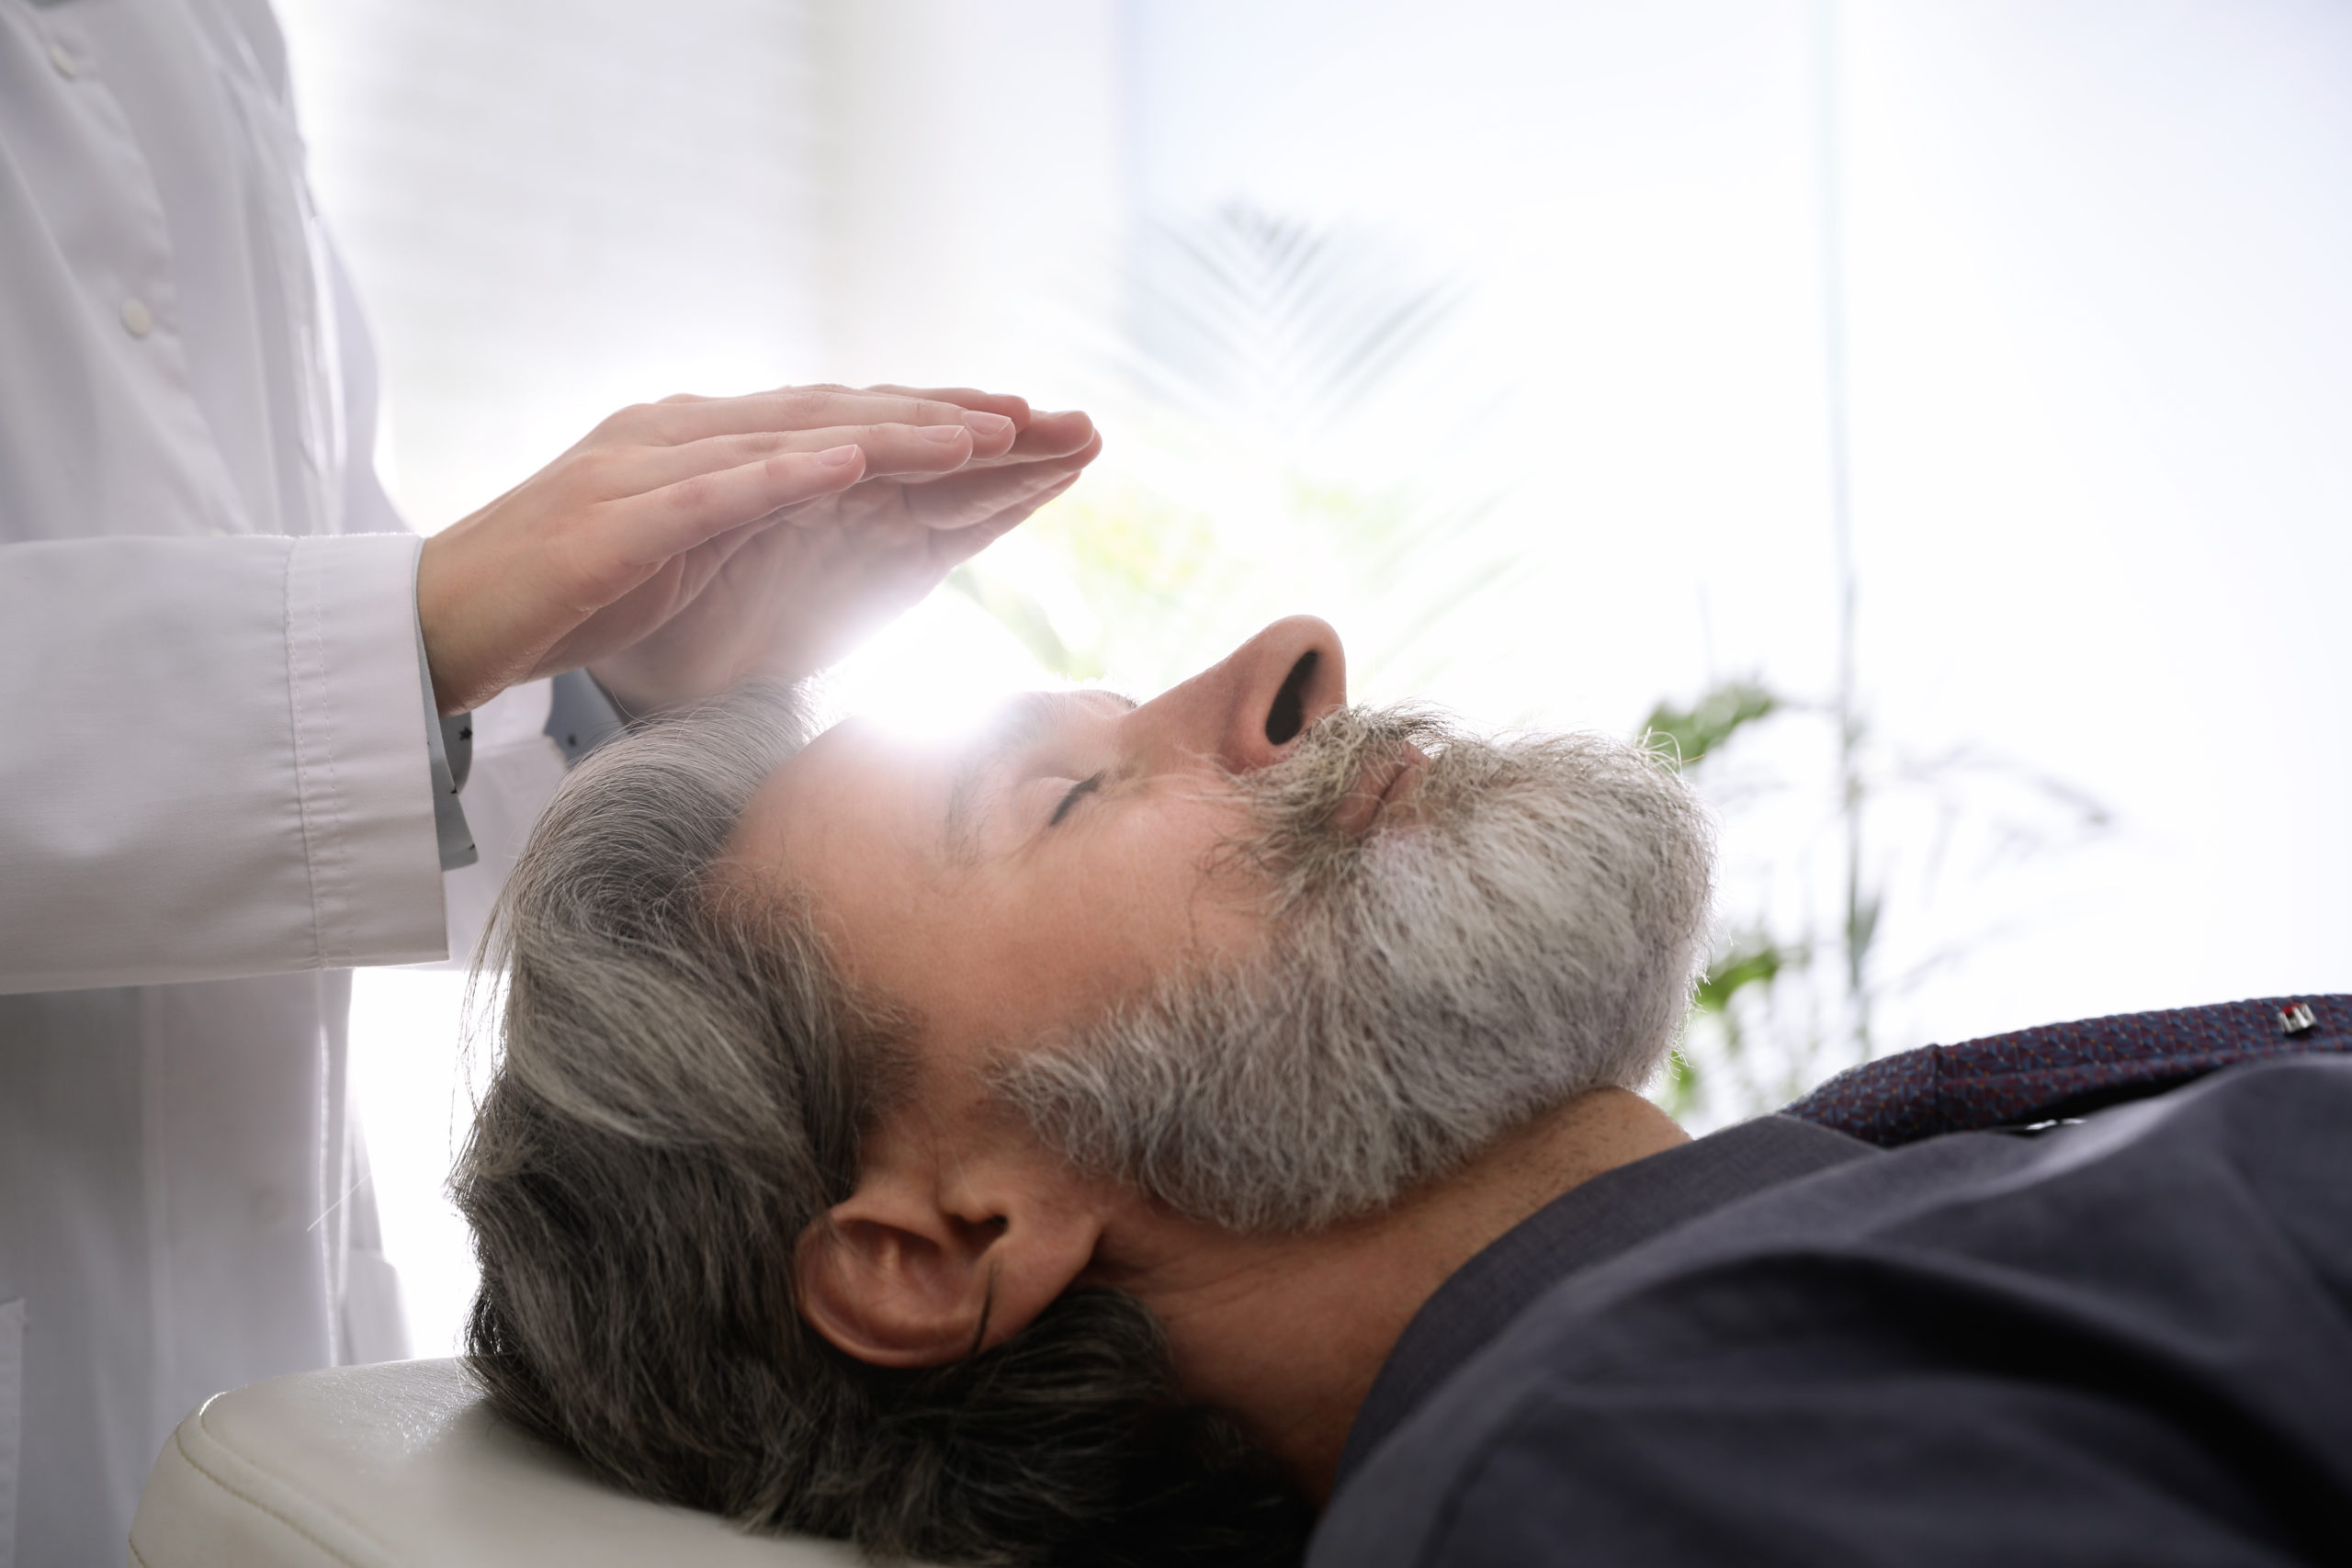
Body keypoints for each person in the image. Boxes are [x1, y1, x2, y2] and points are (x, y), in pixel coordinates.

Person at [455, 613, 2352, 1566]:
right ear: (946, 1233)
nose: (1283, 658)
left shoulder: (1825, 1271)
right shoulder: (1632, 1487)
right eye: (1068, 794)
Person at [0, 4, 1100, 1561]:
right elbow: (325, 671)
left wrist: (617, 679)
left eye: (1070, 791)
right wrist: (413, 629)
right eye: (1061, 799)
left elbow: (337, 711)